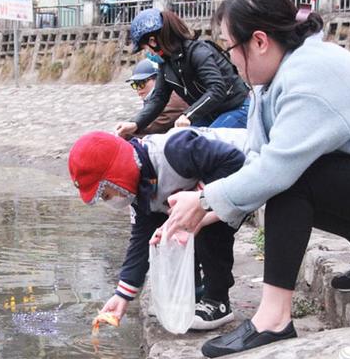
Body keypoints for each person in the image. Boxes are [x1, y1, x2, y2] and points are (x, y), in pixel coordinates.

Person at [163, 0, 350, 356]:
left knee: (295, 180)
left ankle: (273, 320)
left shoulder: (310, 76)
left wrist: (201, 199)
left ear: (259, 41)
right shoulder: (275, 81)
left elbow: (276, 170)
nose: (229, 59)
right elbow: (257, 162)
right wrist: (205, 213)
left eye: (230, 47)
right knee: (296, 175)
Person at [68, 128, 247, 330]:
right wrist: (122, 296)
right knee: (167, 233)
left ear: (118, 175)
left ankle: (217, 300)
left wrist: (199, 200)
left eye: (105, 194)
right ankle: (192, 293)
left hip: (248, 169)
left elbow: (234, 160)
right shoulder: (139, 192)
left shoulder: (173, 150)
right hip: (218, 193)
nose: (108, 201)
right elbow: (140, 241)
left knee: (204, 228)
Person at [115, 8, 250, 138]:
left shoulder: (198, 52)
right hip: (209, 114)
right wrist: (135, 123)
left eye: (145, 48)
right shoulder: (166, 64)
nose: (147, 53)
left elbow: (217, 89)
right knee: (177, 140)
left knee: (204, 144)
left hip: (237, 108)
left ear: (153, 41)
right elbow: (159, 98)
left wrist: (188, 115)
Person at [126, 59, 189, 136]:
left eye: (141, 83)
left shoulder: (172, 99)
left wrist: (125, 132)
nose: (138, 88)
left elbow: (152, 125)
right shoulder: (152, 98)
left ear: (158, 79)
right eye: (135, 84)